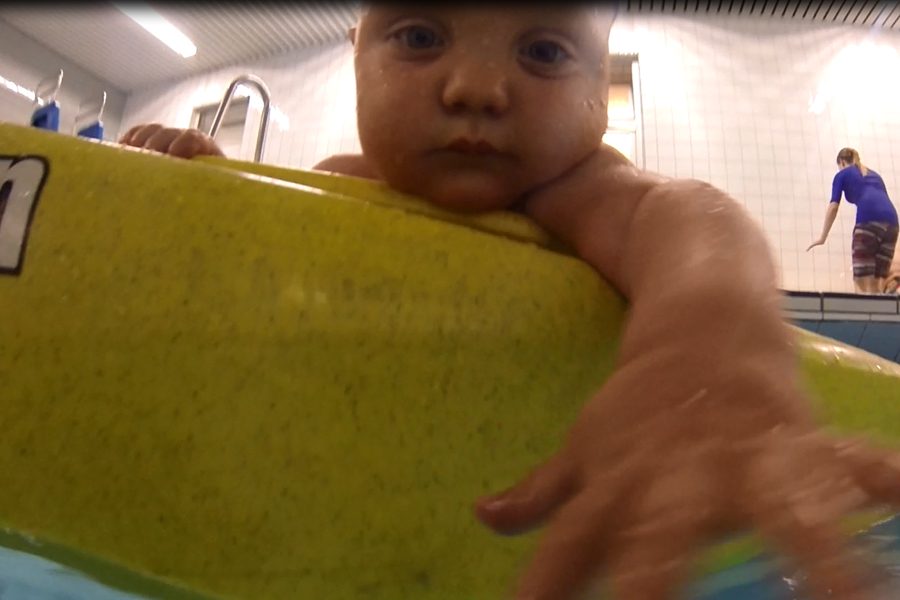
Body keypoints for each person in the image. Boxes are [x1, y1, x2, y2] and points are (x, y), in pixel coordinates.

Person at [119, 6, 900, 600]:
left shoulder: (575, 193)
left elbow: (691, 216)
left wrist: (705, 355)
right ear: (357, 56)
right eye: (421, 36)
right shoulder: (336, 183)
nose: (476, 89)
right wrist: (203, 189)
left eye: (543, 52)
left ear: (599, 85)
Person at [808, 147, 899, 294]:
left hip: (868, 220)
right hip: (892, 224)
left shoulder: (842, 175)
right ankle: (885, 300)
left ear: (842, 162)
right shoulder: (874, 175)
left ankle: (869, 305)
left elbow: (833, 207)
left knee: (862, 282)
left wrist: (822, 237)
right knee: (878, 283)